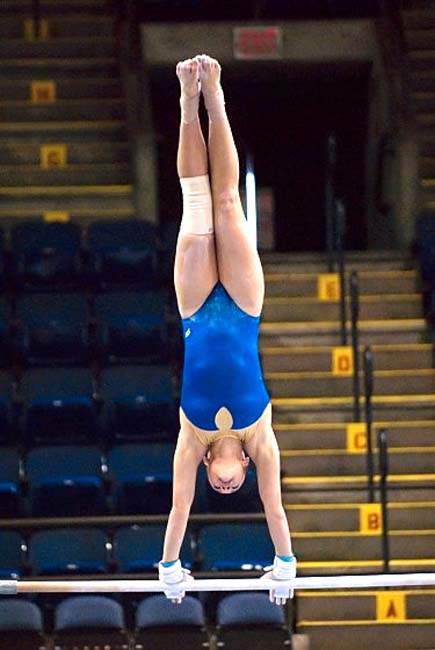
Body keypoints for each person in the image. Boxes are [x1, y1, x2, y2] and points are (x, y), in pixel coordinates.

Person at [158, 54, 296, 605]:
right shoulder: (261, 439)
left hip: (195, 308)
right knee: (226, 199)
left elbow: (179, 508)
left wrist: (170, 565)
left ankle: (187, 103)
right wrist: (285, 563)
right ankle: (215, 99)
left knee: (197, 201)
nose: (225, 486)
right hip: (242, 305)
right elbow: (275, 508)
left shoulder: (191, 440)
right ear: (243, 468)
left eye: (220, 486)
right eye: (233, 485)